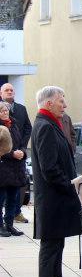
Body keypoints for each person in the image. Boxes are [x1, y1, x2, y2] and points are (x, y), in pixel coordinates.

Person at [32, 86, 82, 277]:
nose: (65, 105)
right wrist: (70, 185)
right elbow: (49, 168)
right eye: (61, 101)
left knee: (57, 245)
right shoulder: (44, 126)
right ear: (48, 103)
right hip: (53, 199)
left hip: (57, 198)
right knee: (50, 246)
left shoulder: (51, 124)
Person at [2, 83, 32, 225]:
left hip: (17, 159)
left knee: (14, 193)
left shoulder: (19, 111)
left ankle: (13, 218)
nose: (9, 92)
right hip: (4, 161)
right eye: (6, 90)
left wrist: (22, 149)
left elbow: (27, 128)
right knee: (2, 195)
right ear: (1, 93)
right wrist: (11, 152)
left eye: (11, 90)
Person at [0, 102, 28, 237]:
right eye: (2, 111)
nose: (5, 113)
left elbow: (21, 142)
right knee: (1, 199)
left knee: (13, 198)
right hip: (3, 168)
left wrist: (23, 152)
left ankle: (9, 224)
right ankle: (0, 226)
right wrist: (12, 154)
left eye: (6, 110)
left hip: (16, 168)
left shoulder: (13, 124)